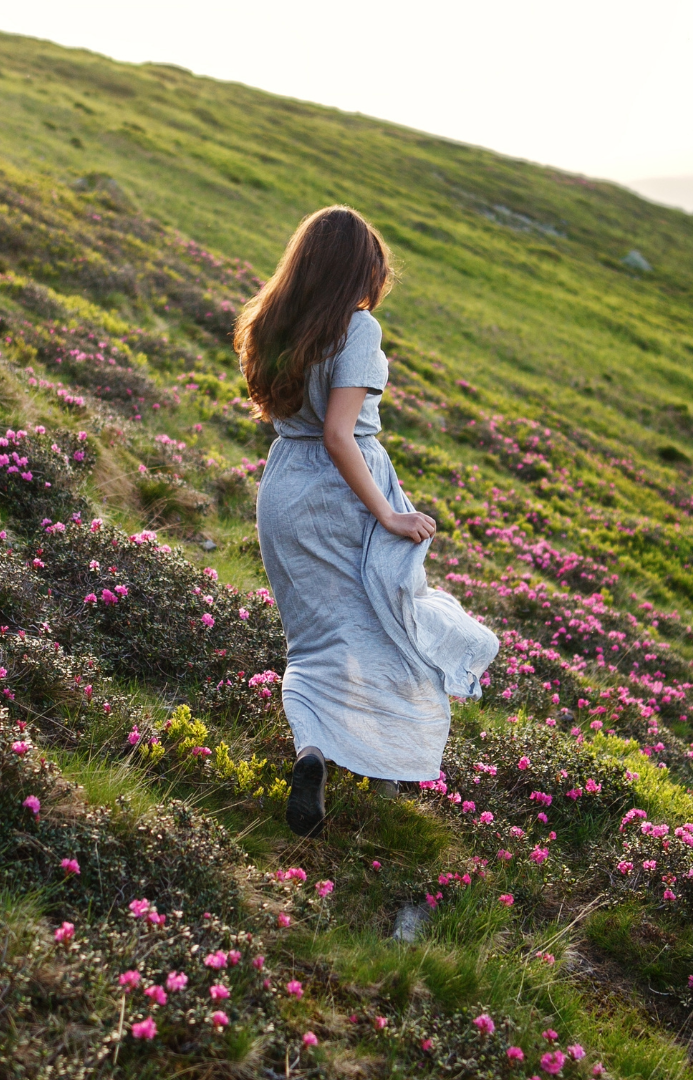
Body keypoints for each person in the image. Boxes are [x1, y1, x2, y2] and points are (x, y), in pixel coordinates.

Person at [235, 205, 500, 838]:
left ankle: (313, 753)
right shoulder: (355, 330)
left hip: (284, 492)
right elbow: (338, 433)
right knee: (392, 619)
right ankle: (387, 771)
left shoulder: (272, 318)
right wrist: (388, 511)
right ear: (359, 268)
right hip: (343, 495)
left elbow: (298, 423)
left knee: (314, 642)